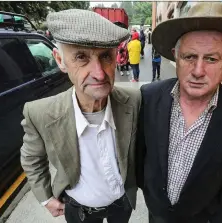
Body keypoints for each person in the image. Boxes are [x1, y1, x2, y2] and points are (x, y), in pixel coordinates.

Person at [136, 2, 222, 223]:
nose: (198, 71)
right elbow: (142, 155)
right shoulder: (149, 96)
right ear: (175, 56)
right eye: (189, 57)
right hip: (156, 212)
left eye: (211, 59)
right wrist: (150, 194)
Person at [20, 9, 141, 223]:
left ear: (115, 57)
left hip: (122, 203)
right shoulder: (40, 113)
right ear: (60, 60)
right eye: (81, 57)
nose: (99, 73)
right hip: (78, 210)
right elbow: (32, 158)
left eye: (105, 56)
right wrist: (45, 198)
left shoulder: (135, 100)